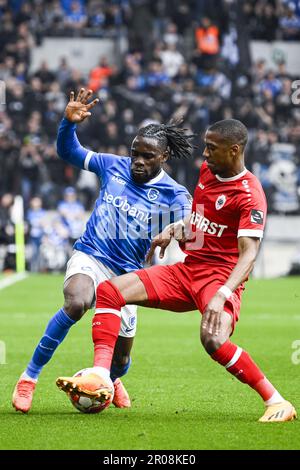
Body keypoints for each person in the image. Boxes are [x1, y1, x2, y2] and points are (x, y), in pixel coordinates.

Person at [56, 119, 297, 423]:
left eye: (212, 148)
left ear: (234, 150)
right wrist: (176, 228)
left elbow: (249, 255)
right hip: (187, 271)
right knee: (110, 291)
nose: (205, 155)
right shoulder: (208, 173)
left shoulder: (250, 195)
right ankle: (101, 376)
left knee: (213, 340)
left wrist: (223, 294)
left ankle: (276, 401)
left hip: (219, 279)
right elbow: (198, 223)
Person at [12, 88, 193, 413]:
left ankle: (111, 378)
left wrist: (176, 228)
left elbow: (191, 225)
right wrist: (67, 124)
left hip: (128, 276)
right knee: (77, 302)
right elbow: (69, 152)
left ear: (163, 157)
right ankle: (29, 377)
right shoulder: (113, 166)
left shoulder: (174, 194)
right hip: (91, 256)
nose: (138, 161)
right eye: (135, 152)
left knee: (122, 360)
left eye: (147, 156)